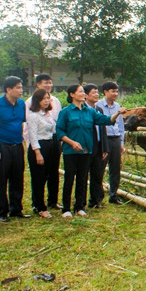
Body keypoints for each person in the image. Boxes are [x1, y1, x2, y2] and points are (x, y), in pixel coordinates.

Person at [56, 85, 124, 218]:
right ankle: (66, 208)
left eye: (83, 92)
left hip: (86, 151)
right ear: (72, 94)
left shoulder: (90, 112)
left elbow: (106, 120)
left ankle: (79, 207)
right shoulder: (66, 112)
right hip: (70, 152)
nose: (83, 94)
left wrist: (118, 113)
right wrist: (72, 142)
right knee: (69, 179)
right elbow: (60, 131)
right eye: (80, 92)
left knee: (82, 179)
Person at [0, 76, 28, 222]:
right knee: (1, 179)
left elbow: (22, 122)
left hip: (17, 145)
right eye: (18, 88)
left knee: (17, 177)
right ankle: (1, 212)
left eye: (21, 87)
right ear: (8, 89)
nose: (21, 90)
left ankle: (16, 209)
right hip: (2, 145)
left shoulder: (21, 104)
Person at [24, 74, 62, 210]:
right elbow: (30, 130)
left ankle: (53, 200)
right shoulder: (30, 104)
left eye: (50, 83)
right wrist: (35, 149)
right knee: (39, 176)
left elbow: (57, 124)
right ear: (38, 84)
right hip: (39, 143)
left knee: (53, 172)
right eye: (46, 83)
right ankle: (38, 204)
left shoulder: (54, 103)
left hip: (52, 141)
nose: (49, 85)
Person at [97, 81, 126, 204]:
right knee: (100, 168)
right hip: (104, 139)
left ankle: (113, 195)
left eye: (117, 91)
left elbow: (121, 126)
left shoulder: (117, 106)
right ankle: (98, 196)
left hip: (116, 139)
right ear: (105, 92)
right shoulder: (98, 106)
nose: (115, 94)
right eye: (113, 91)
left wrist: (121, 142)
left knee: (115, 168)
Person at [84, 84, 109, 209]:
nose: (97, 95)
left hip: (99, 146)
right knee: (83, 174)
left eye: (97, 92)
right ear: (86, 95)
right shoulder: (82, 109)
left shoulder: (99, 110)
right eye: (93, 92)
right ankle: (81, 202)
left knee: (98, 174)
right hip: (87, 146)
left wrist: (104, 148)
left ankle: (96, 200)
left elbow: (103, 130)